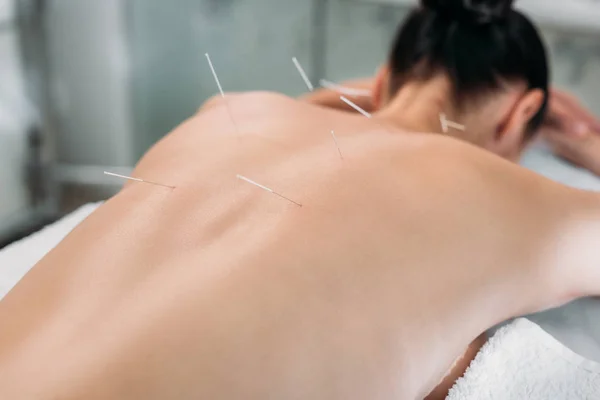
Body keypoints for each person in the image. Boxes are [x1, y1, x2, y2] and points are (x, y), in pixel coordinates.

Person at [1, 0, 599, 399]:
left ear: (383, 77)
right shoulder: (502, 195)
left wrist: (375, 96)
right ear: (523, 113)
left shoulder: (229, 112)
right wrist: (588, 142)